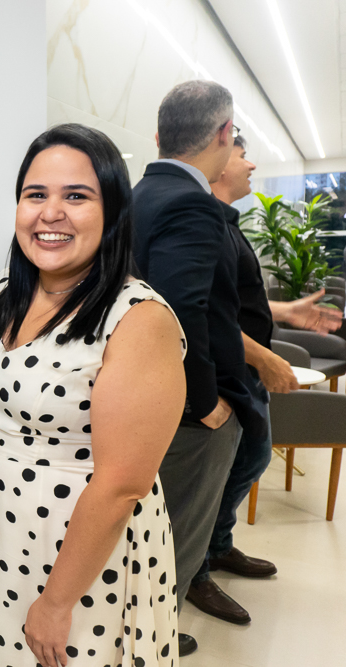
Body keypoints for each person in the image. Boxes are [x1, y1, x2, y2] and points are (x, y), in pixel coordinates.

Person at [0, 123, 187, 667]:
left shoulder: (138, 319)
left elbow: (121, 485)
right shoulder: (0, 292)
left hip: (81, 561)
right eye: (35, 194)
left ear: (113, 212)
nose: (50, 213)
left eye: (77, 197)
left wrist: (57, 602)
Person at [132, 80, 269, 657]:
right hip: (186, 409)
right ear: (223, 134)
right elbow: (181, 310)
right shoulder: (191, 203)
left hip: (140, 392)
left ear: (159, 136)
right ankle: (156, 633)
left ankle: (142, 624)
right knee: (181, 529)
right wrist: (204, 401)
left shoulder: (137, 194)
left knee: (154, 525)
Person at [186, 136, 344, 625]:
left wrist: (285, 311)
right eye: (241, 154)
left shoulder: (227, 224)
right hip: (224, 372)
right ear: (217, 162)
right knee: (226, 470)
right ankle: (195, 569)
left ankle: (218, 545)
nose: (251, 163)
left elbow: (232, 303)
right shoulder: (203, 224)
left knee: (252, 457)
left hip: (241, 369)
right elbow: (204, 314)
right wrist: (265, 358)